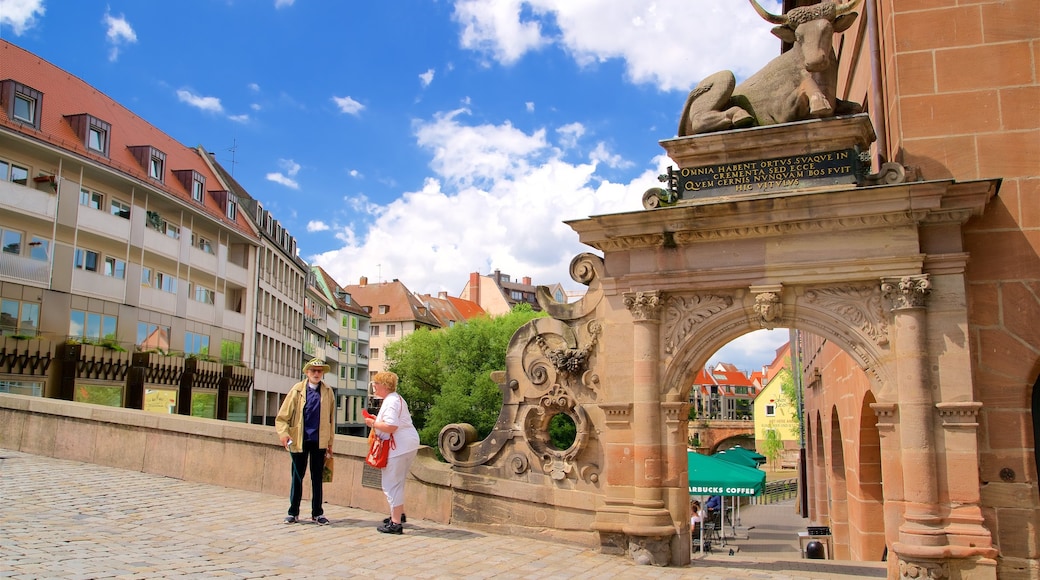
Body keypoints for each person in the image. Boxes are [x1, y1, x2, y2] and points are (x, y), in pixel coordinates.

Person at [275, 357, 336, 525]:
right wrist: (283, 434)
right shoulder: (297, 390)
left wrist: (330, 444)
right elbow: (282, 417)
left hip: (319, 440)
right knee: (297, 476)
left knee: (317, 477)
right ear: (307, 372)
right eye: (313, 371)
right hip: (299, 439)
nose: (316, 374)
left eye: (319, 371)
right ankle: (293, 511)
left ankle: (317, 512)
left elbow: (331, 420)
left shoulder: (328, 391)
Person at [364, 371, 420, 534]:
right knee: (398, 481)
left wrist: (373, 423)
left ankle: (396, 523)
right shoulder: (396, 399)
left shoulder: (391, 402)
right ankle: (398, 514)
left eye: (376, 383)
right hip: (407, 444)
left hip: (399, 446)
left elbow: (391, 426)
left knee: (391, 483)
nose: (374, 386)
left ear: (384, 386)